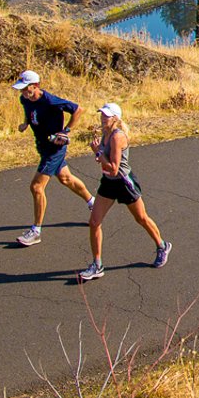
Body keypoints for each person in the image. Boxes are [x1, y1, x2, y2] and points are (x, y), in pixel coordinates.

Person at [77, 101, 170, 281]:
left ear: (115, 118)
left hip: (124, 182)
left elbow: (113, 168)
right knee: (94, 221)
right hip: (108, 183)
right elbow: (107, 168)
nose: (102, 118)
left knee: (141, 218)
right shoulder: (105, 133)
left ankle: (162, 245)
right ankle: (97, 265)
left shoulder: (117, 137)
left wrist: (98, 153)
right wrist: (100, 154)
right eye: (101, 114)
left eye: (106, 115)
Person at [11, 70, 93, 246]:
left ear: (35, 86)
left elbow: (78, 109)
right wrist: (26, 123)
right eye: (22, 89)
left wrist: (65, 131)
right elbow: (29, 111)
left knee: (36, 187)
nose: (23, 92)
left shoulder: (50, 101)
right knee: (66, 178)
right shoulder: (24, 100)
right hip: (42, 146)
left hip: (55, 149)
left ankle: (36, 231)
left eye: (26, 89)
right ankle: (93, 202)